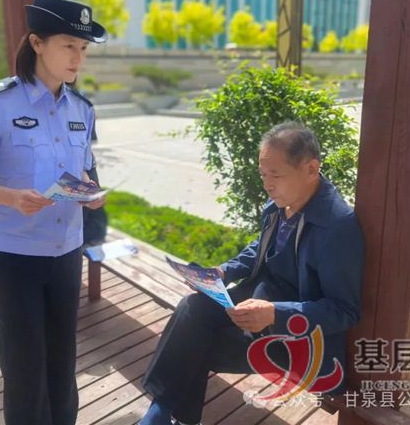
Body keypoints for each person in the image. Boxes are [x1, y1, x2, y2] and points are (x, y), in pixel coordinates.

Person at [139, 122, 365, 425]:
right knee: (193, 307)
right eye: (263, 174)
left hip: (296, 336)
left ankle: (163, 415)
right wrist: (224, 271)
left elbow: (345, 310)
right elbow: (260, 247)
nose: (267, 185)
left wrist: (275, 313)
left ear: (311, 169)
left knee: (194, 345)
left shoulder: (337, 227)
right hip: (255, 302)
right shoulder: (281, 203)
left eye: (276, 175)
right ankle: (164, 414)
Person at [0, 0, 108, 425]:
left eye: (83, 48)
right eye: (68, 45)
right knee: (23, 367)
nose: (78, 58)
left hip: (67, 252)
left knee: (62, 359)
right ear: (37, 43)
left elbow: (84, 170)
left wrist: (92, 194)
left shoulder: (82, 109)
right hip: (14, 256)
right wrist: (11, 197)